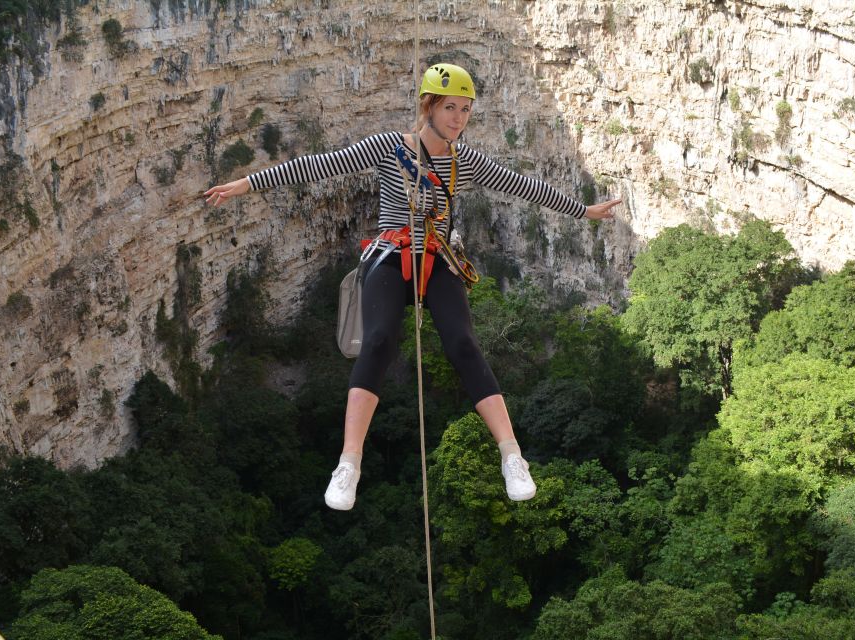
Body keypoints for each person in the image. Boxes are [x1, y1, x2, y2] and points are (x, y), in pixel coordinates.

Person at [205, 63, 621, 510]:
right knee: (380, 340)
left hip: (439, 258)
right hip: (391, 253)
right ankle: (349, 463)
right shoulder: (389, 148)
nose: (458, 118)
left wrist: (584, 211)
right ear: (428, 106)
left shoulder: (466, 160)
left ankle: (512, 456)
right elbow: (320, 165)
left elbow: (524, 187)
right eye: (449, 108)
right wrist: (247, 183)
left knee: (463, 343)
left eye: (465, 110)